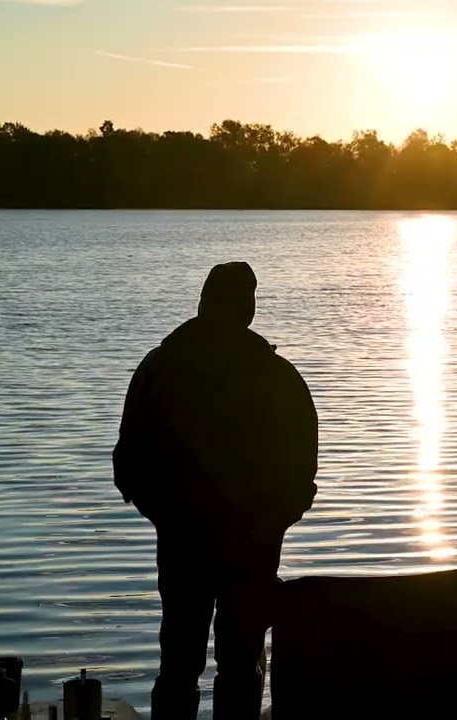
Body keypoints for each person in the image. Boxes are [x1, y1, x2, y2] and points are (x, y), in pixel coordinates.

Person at [112, 262, 319, 720]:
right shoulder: (280, 377)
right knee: (240, 663)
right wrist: (267, 524)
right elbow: (303, 478)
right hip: (250, 546)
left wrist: (168, 516)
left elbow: (127, 467)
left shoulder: (158, 368)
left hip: (187, 543)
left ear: (203, 302)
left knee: (180, 664)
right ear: (248, 309)